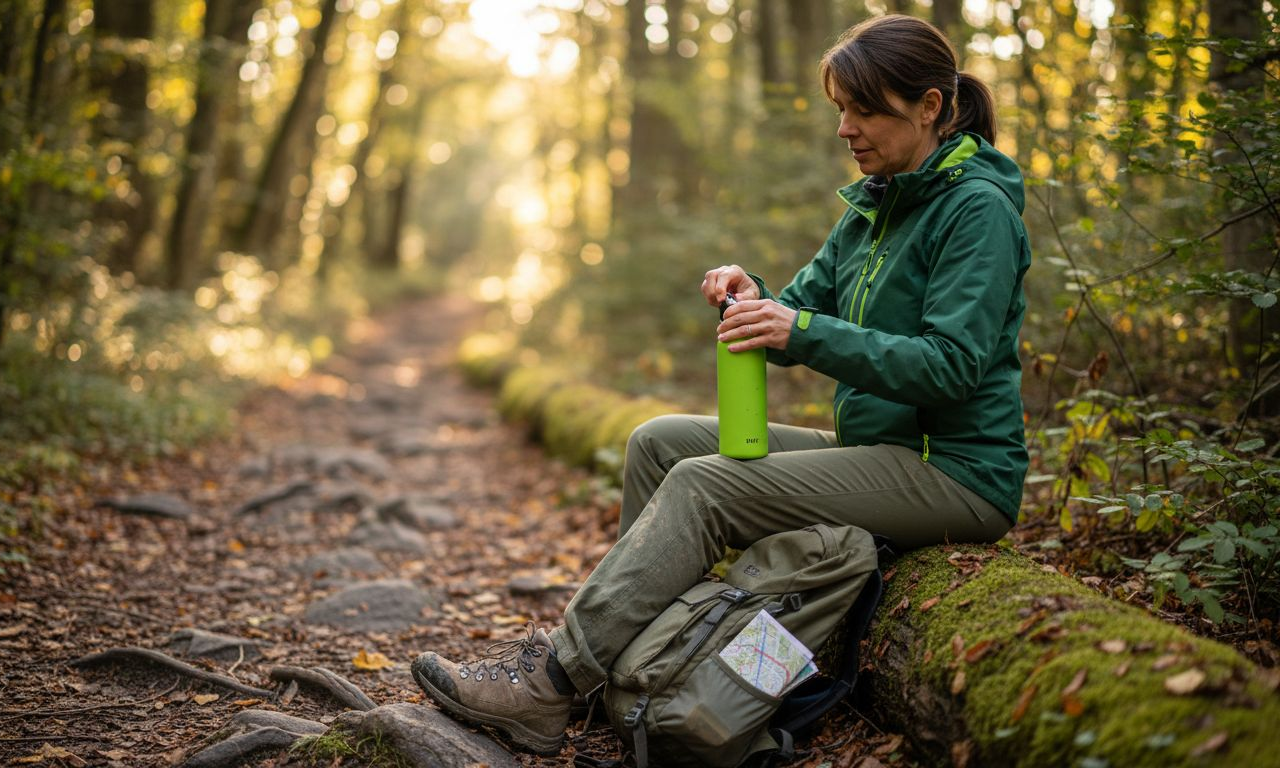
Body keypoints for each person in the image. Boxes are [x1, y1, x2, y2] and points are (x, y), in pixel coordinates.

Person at [411, 13, 1031, 756]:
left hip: (954, 470)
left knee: (707, 485)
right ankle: (631, 674)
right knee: (659, 443)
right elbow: (804, 310)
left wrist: (799, 332)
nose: (845, 129)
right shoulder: (876, 203)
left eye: (864, 109)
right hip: (882, 448)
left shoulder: (976, 209)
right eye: (840, 108)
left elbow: (951, 364)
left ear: (929, 106)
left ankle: (552, 680)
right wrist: (753, 296)